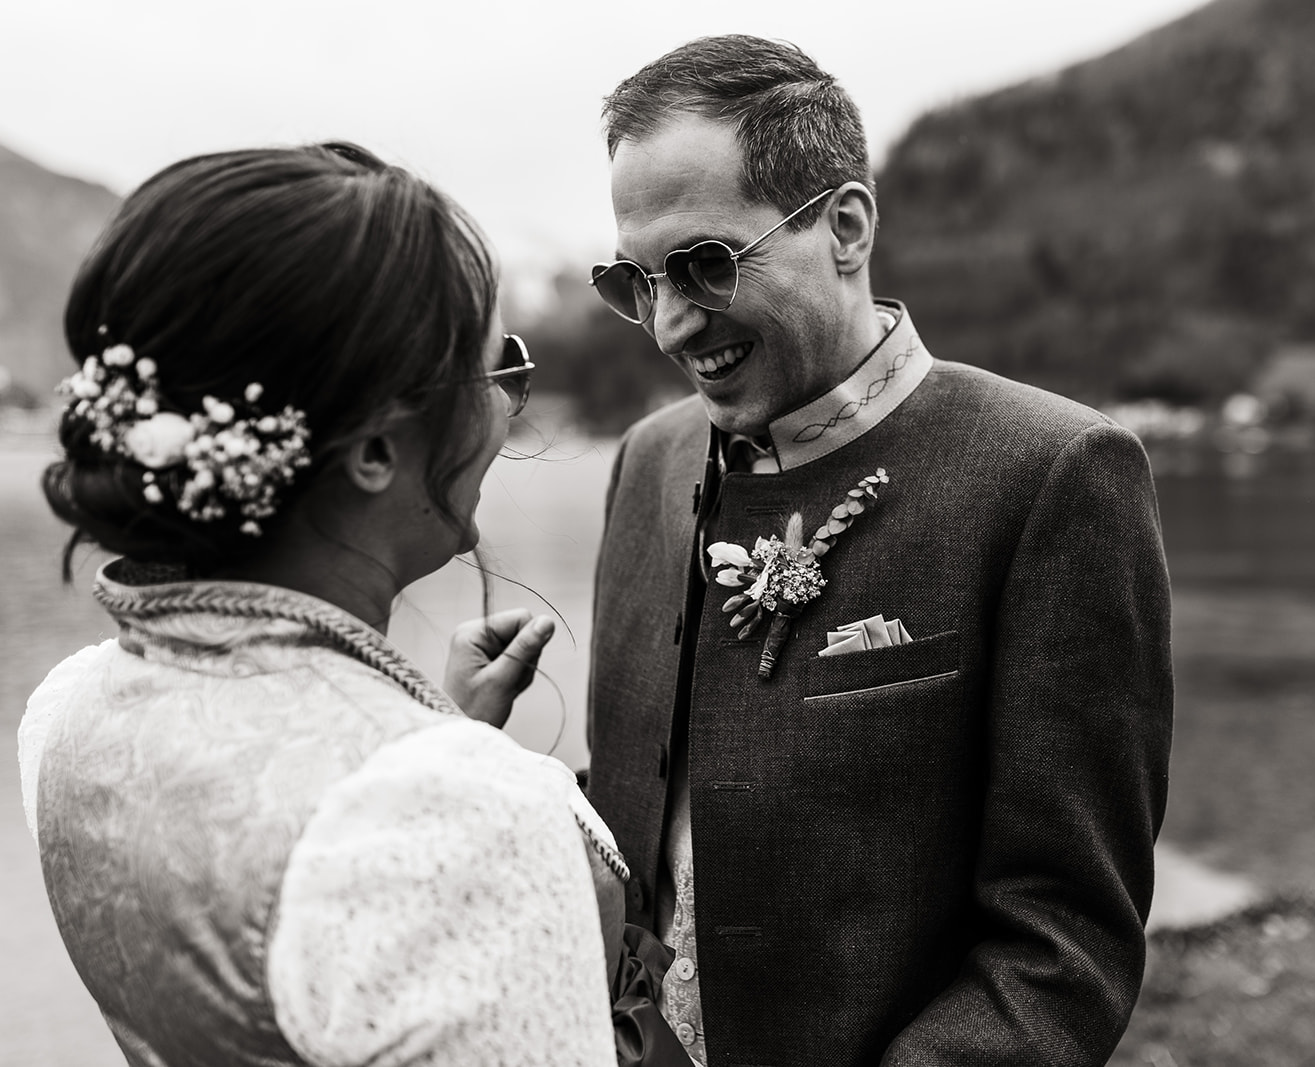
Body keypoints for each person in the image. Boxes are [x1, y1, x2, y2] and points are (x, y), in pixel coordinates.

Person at [584, 36, 1174, 1067]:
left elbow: (1062, 936)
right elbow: (634, 817)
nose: (672, 324)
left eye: (706, 264)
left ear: (845, 227)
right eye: (633, 278)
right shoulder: (646, 460)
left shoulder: (1054, 473)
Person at [16, 143, 664, 1067]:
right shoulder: (453, 823)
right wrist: (432, 767)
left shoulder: (65, 713)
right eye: (496, 370)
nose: (506, 411)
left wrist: (426, 729)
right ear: (373, 448)